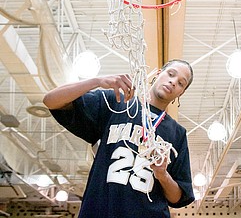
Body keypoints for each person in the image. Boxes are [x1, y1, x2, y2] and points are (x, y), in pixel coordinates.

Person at [43, 59, 195, 217]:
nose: (173, 82)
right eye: (171, 74)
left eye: (181, 83)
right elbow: (51, 101)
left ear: (181, 93)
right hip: (102, 210)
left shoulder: (178, 134)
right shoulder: (115, 103)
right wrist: (97, 81)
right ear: (158, 74)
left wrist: (163, 175)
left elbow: (177, 198)